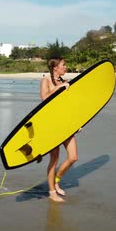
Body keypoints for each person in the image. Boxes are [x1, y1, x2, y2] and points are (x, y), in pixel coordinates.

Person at [40, 57, 77, 203]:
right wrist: (58, 87)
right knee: (54, 159)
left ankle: (56, 180)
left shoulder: (65, 82)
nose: (65, 67)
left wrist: (77, 123)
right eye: (63, 65)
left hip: (66, 124)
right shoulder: (46, 81)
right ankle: (51, 192)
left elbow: (68, 107)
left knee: (73, 157)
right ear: (55, 67)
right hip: (51, 125)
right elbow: (44, 99)